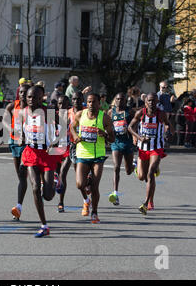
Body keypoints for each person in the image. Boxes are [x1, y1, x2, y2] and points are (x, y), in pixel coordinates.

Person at [19, 86, 58, 237]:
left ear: (41, 98)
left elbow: (61, 133)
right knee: (35, 188)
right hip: (31, 153)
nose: (31, 100)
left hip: (47, 154)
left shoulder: (49, 113)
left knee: (48, 195)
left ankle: (54, 182)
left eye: (34, 97)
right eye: (29, 97)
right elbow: (21, 130)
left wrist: (54, 144)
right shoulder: (23, 113)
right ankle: (44, 225)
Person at [71, 93, 115, 224]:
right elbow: (72, 127)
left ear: (99, 103)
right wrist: (75, 136)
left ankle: (94, 212)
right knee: (80, 184)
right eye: (89, 102)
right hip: (83, 154)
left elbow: (112, 139)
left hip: (98, 156)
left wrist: (105, 134)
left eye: (93, 102)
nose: (90, 104)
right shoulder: (80, 114)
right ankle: (87, 196)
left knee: (95, 187)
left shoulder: (104, 118)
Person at [128, 93, 174, 215]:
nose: (151, 103)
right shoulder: (140, 113)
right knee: (141, 177)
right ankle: (137, 166)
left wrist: (169, 131)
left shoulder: (161, 114)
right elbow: (130, 127)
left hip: (157, 148)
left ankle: (147, 202)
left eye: (154, 101)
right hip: (143, 148)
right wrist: (139, 137)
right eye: (149, 101)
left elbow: (168, 123)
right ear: (145, 102)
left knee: (150, 173)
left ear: (157, 101)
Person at [5, 83, 31, 220]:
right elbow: (4, 121)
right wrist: (12, 130)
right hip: (14, 143)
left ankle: (18, 206)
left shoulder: (32, 109)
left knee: (23, 173)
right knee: (21, 176)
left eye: (25, 93)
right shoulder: (12, 106)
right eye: (21, 92)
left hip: (28, 145)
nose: (22, 95)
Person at [107, 92, 135, 205]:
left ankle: (134, 165)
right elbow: (106, 125)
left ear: (125, 100)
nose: (119, 101)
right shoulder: (110, 112)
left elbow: (135, 123)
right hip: (116, 142)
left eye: (122, 99)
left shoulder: (130, 111)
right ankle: (115, 194)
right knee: (116, 167)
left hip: (127, 142)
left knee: (128, 171)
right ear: (115, 100)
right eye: (117, 99)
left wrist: (134, 135)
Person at [53, 95, 72, 213]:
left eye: (64, 103)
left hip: (68, 148)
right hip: (55, 149)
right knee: (56, 174)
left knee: (63, 174)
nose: (62, 106)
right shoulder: (53, 115)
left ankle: (61, 202)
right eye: (59, 104)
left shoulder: (71, 115)